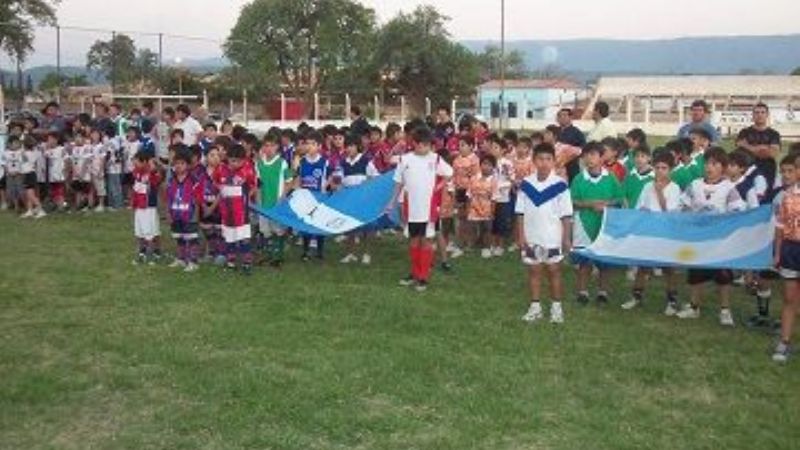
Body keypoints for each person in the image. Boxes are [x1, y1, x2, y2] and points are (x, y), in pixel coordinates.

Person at [676, 147, 746, 325]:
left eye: (714, 164)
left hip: (719, 241)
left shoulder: (729, 188)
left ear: (722, 167)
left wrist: (722, 221)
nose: (709, 167)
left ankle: (725, 310)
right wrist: (688, 215)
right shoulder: (695, 184)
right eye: (706, 163)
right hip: (698, 239)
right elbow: (682, 205)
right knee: (695, 273)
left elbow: (737, 212)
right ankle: (694, 306)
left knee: (723, 276)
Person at [387, 126, 454, 292]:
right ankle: (414, 272)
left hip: (428, 208)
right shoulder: (405, 160)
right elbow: (398, 182)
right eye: (422, 145)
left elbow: (449, 173)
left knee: (426, 241)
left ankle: (423, 277)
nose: (425, 148)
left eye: (428, 145)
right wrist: (392, 201)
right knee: (414, 240)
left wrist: (440, 186)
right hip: (412, 208)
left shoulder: (435, 159)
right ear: (414, 144)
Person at [517, 142, 573, 324]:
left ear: (554, 162)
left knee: (554, 271)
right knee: (534, 271)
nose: (544, 162)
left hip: (552, 237)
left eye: (548, 159)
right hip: (532, 236)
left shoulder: (560, 185)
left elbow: (566, 216)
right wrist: (521, 236)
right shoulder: (526, 184)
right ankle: (535, 307)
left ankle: (556, 308)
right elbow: (520, 213)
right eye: (540, 159)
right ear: (534, 161)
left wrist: (566, 239)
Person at [621, 151, 682, 314]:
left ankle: (672, 301)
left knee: (669, 269)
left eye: (664, 168)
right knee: (643, 267)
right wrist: (643, 211)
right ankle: (636, 296)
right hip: (648, 233)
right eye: (657, 167)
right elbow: (640, 206)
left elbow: (669, 212)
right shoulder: (647, 185)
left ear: (671, 170)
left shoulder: (674, 188)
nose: (660, 171)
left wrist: (660, 191)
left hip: (666, 234)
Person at [570, 141, 623, 305]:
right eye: (586, 155)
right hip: (583, 223)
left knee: (604, 261)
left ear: (602, 158)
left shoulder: (610, 178)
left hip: (604, 224)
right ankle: (582, 291)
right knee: (583, 260)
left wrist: (606, 205)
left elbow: (619, 199)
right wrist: (590, 205)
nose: (589, 158)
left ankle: (603, 292)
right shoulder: (579, 179)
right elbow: (572, 202)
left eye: (593, 154)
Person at [214, 144, 258, 274]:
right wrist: (221, 188)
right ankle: (231, 261)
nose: (235, 163)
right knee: (229, 237)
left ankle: (246, 263)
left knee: (243, 238)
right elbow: (215, 181)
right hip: (226, 211)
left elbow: (253, 186)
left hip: (241, 212)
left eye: (239, 161)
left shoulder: (248, 170)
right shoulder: (221, 169)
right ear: (227, 158)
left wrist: (246, 197)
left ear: (244, 160)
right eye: (232, 160)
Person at [773, 155, 800, 362]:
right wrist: (778, 252)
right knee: (789, 298)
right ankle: (784, 341)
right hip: (791, 250)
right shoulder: (787, 196)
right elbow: (780, 228)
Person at [256, 133, 294, 267]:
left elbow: (289, 182)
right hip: (264, 203)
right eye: (266, 145)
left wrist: (282, 197)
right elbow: (258, 184)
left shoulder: (282, 163)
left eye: (272, 145)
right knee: (265, 231)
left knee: (278, 230)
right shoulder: (259, 163)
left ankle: (278, 256)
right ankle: (269, 254)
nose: (269, 148)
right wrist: (259, 200)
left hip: (277, 203)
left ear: (277, 147)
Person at [339, 134, 374, 265]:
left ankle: (367, 253)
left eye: (352, 146)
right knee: (349, 227)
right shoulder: (343, 163)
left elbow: (375, 176)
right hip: (349, 199)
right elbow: (340, 180)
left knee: (367, 227)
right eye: (347, 146)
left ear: (358, 147)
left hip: (364, 199)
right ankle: (350, 253)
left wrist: (365, 188)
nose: (349, 149)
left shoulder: (366, 160)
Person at [295, 130, 330, 261]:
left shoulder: (324, 162)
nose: (309, 146)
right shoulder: (302, 161)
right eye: (307, 143)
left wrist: (327, 190)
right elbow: (298, 178)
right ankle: (305, 250)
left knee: (319, 224)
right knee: (306, 225)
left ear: (320, 146)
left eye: (313, 144)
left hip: (320, 197)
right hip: (305, 198)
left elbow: (330, 178)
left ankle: (320, 251)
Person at [166, 147, 202, 272]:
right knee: (179, 237)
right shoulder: (171, 180)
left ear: (188, 165)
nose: (179, 166)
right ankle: (181, 259)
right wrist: (169, 213)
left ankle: (193, 261)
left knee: (191, 238)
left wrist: (196, 214)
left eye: (182, 163)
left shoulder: (194, 180)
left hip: (190, 214)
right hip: (176, 213)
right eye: (176, 164)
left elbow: (198, 199)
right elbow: (169, 198)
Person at [737, 103, 781, 198]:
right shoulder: (744, 132)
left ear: (767, 115)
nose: (760, 115)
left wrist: (749, 147)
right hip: (748, 168)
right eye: (757, 112)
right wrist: (762, 148)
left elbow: (773, 153)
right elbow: (740, 146)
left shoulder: (774, 134)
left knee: (765, 196)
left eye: (762, 112)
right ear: (752, 115)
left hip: (768, 169)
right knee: (746, 194)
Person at [131, 151, 163, 265]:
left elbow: (158, 177)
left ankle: (155, 252)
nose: (134, 165)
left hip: (149, 207)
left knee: (151, 230)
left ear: (144, 162)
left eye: (137, 162)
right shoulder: (137, 173)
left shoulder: (152, 173)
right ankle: (142, 251)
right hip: (139, 206)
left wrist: (154, 167)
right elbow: (136, 187)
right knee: (139, 231)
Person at [197, 146, 224, 266]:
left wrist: (212, 207)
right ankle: (210, 253)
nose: (215, 158)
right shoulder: (200, 173)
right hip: (204, 205)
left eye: (218, 155)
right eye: (212, 155)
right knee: (207, 230)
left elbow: (222, 191)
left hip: (218, 205)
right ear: (206, 157)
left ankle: (220, 254)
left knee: (218, 231)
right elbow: (197, 191)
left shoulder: (223, 171)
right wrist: (203, 206)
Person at [452, 136, 480, 250]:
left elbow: (476, 176)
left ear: (471, 146)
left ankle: (470, 241)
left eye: (463, 145)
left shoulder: (475, 159)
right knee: (461, 216)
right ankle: (460, 241)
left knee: (470, 217)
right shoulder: (456, 160)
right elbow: (454, 176)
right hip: (459, 190)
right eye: (459, 145)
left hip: (470, 191)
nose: (460, 147)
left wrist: (471, 190)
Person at [467, 155, 497, 259]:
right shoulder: (474, 178)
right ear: (480, 165)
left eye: (489, 165)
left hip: (486, 208)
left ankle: (486, 248)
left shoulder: (493, 181)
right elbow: (469, 194)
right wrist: (468, 208)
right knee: (473, 228)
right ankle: (473, 244)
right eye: (484, 164)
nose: (486, 167)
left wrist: (492, 212)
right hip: (474, 207)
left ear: (493, 167)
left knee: (487, 228)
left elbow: (494, 198)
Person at [490, 137, 515, 256]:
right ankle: (493, 244)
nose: (493, 150)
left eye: (496, 147)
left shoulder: (507, 163)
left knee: (501, 222)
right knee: (492, 221)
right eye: (492, 147)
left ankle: (500, 245)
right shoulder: (489, 162)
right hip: (490, 197)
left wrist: (499, 186)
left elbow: (512, 180)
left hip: (503, 197)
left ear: (503, 150)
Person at [556, 108, 586, 182]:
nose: (561, 117)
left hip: (571, 166)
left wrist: (570, 154)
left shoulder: (577, 132)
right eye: (559, 115)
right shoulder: (555, 131)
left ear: (570, 117)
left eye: (564, 115)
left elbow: (584, 149)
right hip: (556, 168)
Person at [20, 136, 46, 219]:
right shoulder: (35, 152)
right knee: (29, 194)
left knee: (30, 194)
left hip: (29, 174)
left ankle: (40, 210)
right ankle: (30, 210)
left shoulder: (24, 153)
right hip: (30, 174)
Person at [43, 131, 67, 210]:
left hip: (59, 173)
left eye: (52, 139)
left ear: (56, 140)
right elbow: (46, 156)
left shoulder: (61, 149)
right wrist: (47, 147)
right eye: (48, 139)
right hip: (51, 175)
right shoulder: (48, 150)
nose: (50, 141)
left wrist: (65, 171)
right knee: (53, 191)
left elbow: (67, 160)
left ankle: (61, 206)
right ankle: (57, 205)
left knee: (59, 190)